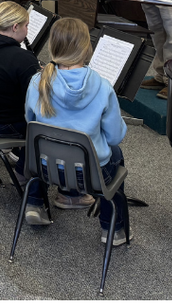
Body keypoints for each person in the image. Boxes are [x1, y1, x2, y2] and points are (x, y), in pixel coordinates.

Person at [0, 1, 90, 218]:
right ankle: (69, 193)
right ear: (15, 27)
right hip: (5, 125)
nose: (27, 30)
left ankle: (24, 169)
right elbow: (44, 103)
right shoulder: (20, 59)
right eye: (26, 26)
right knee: (59, 126)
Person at [25, 18, 129, 237]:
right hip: (90, 175)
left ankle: (47, 200)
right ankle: (114, 230)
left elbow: (30, 122)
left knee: (62, 148)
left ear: (53, 45)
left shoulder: (37, 82)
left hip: (44, 168)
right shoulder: (103, 86)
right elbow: (114, 137)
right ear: (87, 48)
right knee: (116, 155)